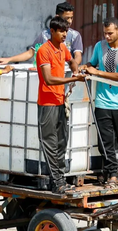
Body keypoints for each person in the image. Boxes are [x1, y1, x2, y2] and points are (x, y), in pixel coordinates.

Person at [79, 17, 118, 186]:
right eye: (105, 33)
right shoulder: (99, 46)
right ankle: (111, 173)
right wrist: (86, 66)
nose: (107, 37)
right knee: (105, 143)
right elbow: (93, 63)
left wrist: (97, 73)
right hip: (103, 103)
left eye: (110, 33)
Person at [36, 16, 85, 195]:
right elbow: (48, 79)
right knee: (50, 142)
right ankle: (57, 183)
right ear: (52, 32)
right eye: (61, 31)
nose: (65, 34)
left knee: (62, 142)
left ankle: (60, 180)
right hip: (47, 103)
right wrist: (73, 78)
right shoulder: (44, 50)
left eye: (66, 31)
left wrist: (75, 68)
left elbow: (71, 60)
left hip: (60, 101)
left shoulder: (62, 48)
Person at [0, 2, 83, 65]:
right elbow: (30, 53)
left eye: (71, 18)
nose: (70, 21)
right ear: (57, 17)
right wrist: (9, 59)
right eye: (67, 18)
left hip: (65, 77)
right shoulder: (45, 35)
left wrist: (74, 67)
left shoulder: (75, 36)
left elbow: (77, 56)